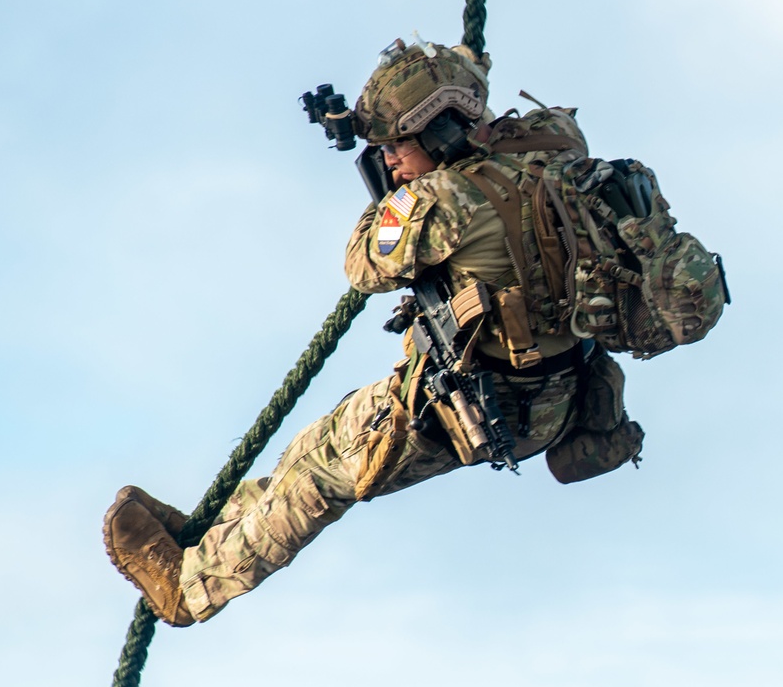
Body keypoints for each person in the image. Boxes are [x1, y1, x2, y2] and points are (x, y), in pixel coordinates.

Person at [103, 38, 727, 627]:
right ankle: (211, 536)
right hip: (567, 394)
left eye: (398, 147)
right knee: (313, 448)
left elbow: (363, 262)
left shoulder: (445, 202)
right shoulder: (558, 153)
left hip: (475, 407)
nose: (392, 163)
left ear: (444, 132)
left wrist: (393, 198)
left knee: (320, 474)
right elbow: (482, 98)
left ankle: (188, 589)